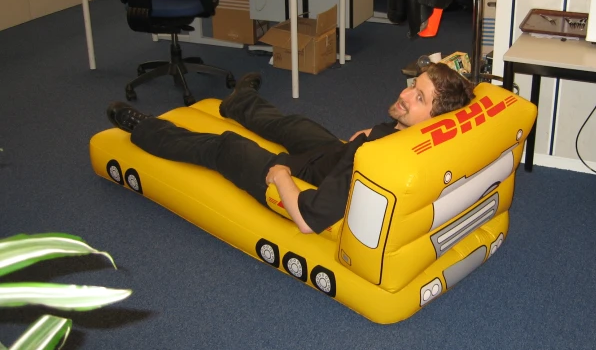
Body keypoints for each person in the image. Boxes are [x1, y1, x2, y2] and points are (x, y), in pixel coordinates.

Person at [106, 63, 476, 234]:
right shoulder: (417, 136)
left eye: (419, 97)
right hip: (337, 154)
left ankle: (145, 129)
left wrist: (282, 176)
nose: (405, 93)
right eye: (414, 84)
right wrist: (373, 131)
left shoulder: (375, 160)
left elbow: (310, 220)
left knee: (226, 147)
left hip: (318, 177)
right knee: (292, 125)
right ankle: (240, 101)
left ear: (433, 118)